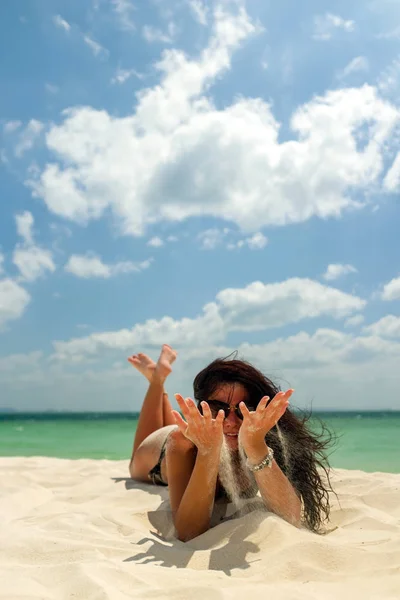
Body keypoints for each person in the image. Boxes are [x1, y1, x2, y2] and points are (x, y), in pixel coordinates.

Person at [128, 344, 334, 542]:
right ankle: (157, 380)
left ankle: (158, 376)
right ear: (203, 408)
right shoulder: (182, 443)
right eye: (218, 408)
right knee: (135, 465)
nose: (231, 422)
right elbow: (187, 532)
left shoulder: (261, 435)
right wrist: (208, 452)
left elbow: (291, 517)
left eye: (244, 408)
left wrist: (255, 446)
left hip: (203, 430)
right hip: (159, 451)